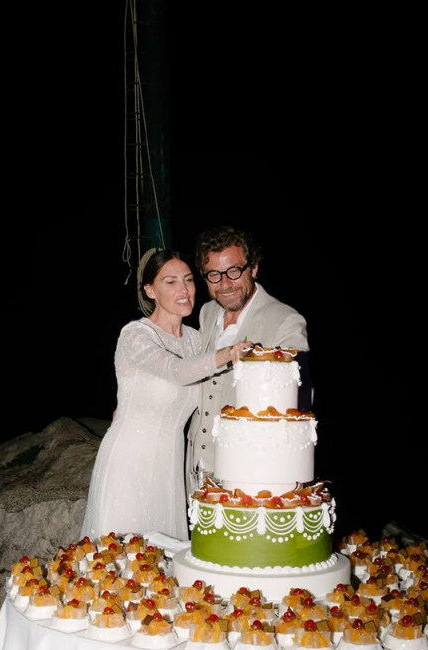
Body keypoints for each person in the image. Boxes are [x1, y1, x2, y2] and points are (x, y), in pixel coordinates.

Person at [80, 248, 250, 541]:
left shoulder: (197, 340)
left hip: (170, 463)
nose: (183, 290)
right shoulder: (136, 335)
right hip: (129, 459)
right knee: (122, 560)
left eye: (188, 280)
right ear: (149, 290)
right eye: (170, 282)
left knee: (162, 563)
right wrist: (228, 353)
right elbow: (177, 371)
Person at [186, 226, 310, 492]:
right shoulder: (207, 313)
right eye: (214, 275)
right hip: (196, 468)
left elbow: (298, 403)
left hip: (252, 472)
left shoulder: (285, 320)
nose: (225, 284)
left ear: (253, 268)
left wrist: (290, 474)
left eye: (234, 271)